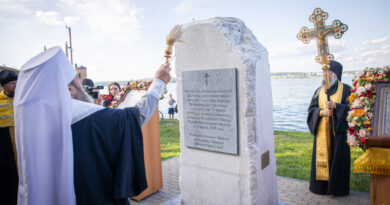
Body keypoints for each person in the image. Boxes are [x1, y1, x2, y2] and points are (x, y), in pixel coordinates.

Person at [15, 46, 170, 204]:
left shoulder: (32, 128)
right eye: (77, 79)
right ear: (69, 89)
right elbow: (135, 117)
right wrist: (159, 82)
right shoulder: (92, 118)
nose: (81, 82)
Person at [307, 60, 352, 196]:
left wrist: (337, 107)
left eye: (328, 72)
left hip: (338, 134)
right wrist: (322, 112)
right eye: (324, 72)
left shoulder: (347, 89)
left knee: (338, 160)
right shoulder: (318, 91)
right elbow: (311, 110)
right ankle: (320, 188)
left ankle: (336, 189)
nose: (324, 75)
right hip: (322, 131)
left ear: (336, 74)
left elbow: (352, 110)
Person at [0, 69, 18, 205]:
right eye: (12, 83)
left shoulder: (24, 99)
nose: (16, 85)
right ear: (4, 85)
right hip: (6, 151)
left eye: (17, 82)